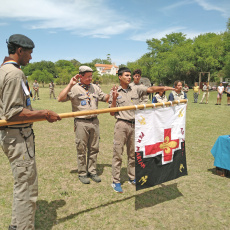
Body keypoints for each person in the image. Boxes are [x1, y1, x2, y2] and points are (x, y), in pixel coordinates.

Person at [0, 34, 61, 230]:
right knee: (26, 186)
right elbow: (12, 113)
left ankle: (17, 225)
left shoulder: (3, 71)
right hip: (17, 137)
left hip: (12, 136)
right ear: (19, 51)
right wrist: (44, 113)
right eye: (29, 53)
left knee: (22, 184)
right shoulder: (15, 74)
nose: (31, 57)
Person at [109, 67, 174, 193]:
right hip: (121, 125)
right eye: (126, 75)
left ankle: (132, 177)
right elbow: (112, 113)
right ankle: (116, 181)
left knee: (133, 154)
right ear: (120, 77)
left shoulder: (136, 88)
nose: (129, 77)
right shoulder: (115, 91)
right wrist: (115, 98)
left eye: (129, 75)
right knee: (118, 154)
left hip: (135, 125)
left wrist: (165, 88)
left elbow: (150, 89)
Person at [58, 66, 110, 184]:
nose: (90, 79)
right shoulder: (74, 88)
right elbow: (60, 98)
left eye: (91, 76)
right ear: (80, 76)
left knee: (94, 148)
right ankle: (82, 173)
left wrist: (113, 94)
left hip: (94, 122)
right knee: (81, 148)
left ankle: (92, 171)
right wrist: (70, 84)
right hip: (81, 122)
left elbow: (105, 98)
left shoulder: (95, 88)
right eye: (87, 77)